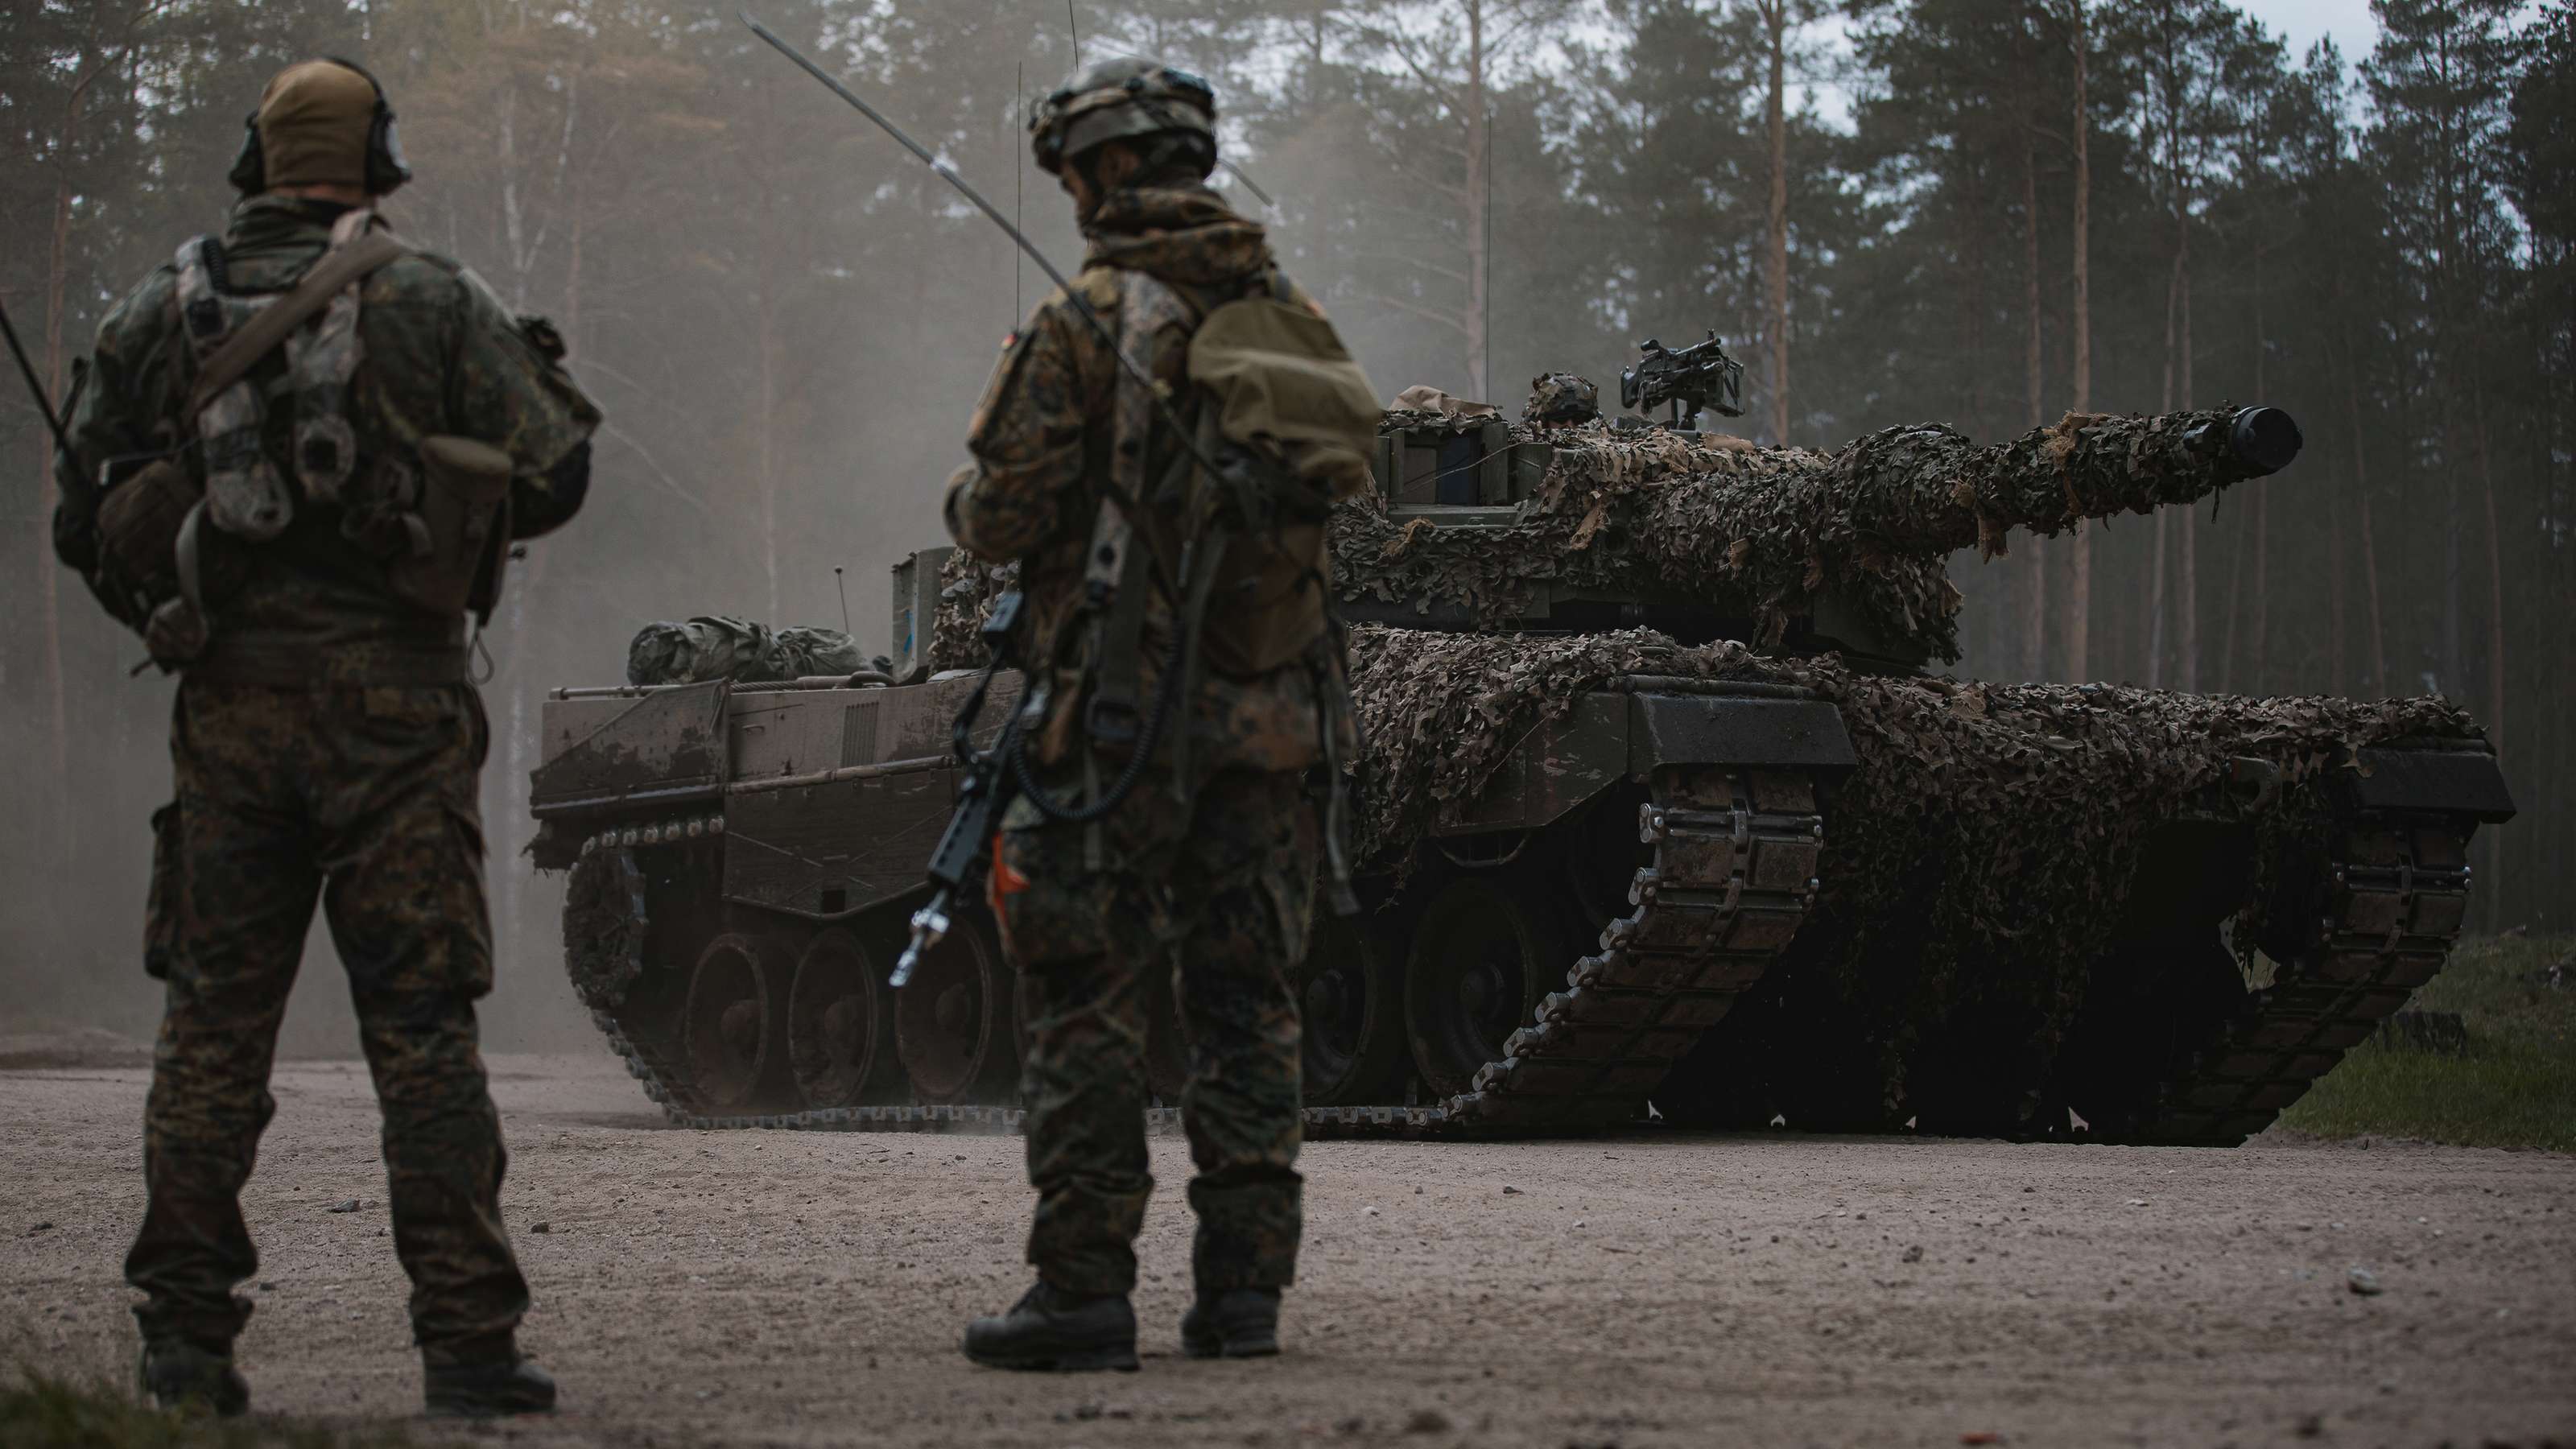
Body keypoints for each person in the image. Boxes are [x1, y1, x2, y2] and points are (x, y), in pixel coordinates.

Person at [50, 58, 599, 1418]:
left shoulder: (158, 309)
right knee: (421, 1030)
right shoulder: (432, 299)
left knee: (211, 1031)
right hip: (397, 722)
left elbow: (81, 516)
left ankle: (186, 1346)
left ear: (257, 159)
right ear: (377, 160)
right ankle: (468, 1346)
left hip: (231, 715)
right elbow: (558, 469)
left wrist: (172, 601)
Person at [945, 58, 1372, 1372]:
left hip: (1119, 728)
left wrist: (977, 508)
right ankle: (1244, 1302)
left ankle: (1083, 1297)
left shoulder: (1086, 320)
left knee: (1088, 1002)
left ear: (1114, 168)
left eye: (1079, 169)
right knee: (1249, 1009)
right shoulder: (1287, 315)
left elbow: (998, 518)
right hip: (1274, 724)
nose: (1074, 194)